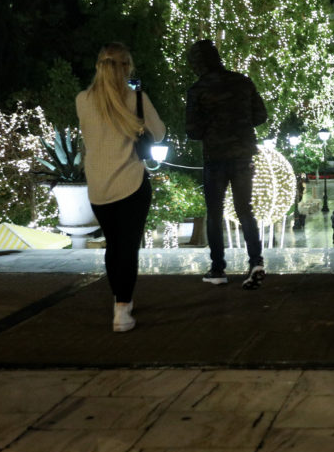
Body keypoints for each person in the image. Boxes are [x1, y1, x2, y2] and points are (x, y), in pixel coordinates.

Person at [76, 42, 165, 333]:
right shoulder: (135, 99)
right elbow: (160, 133)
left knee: (113, 247)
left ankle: (120, 300)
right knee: (128, 248)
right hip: (130, 184)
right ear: (126, 67)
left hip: (98, 188)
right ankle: (122, 309)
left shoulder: (83, 100)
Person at [185, 38, 268, 290]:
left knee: (214, 213)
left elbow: (192, 131)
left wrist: (212, 127)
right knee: (245, 210)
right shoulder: (242, 82)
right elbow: (261, 115)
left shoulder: (197, 90)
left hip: (215, 158)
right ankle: (256, 261)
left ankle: (218, 268)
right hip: (243, 154)